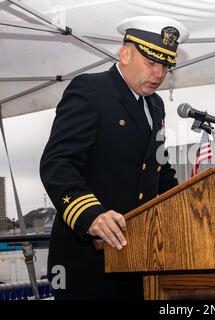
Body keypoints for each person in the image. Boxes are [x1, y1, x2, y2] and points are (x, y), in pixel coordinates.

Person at [39, 16, 189, 300]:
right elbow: (57, 163)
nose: (159, 73)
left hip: (139, 256)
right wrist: (91, 215)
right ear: (125, 54)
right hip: (89, 258)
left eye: (166, 65)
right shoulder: (90, 91)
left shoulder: (155, 106)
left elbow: (159, 170)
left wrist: (189, 209)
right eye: (151, 62)